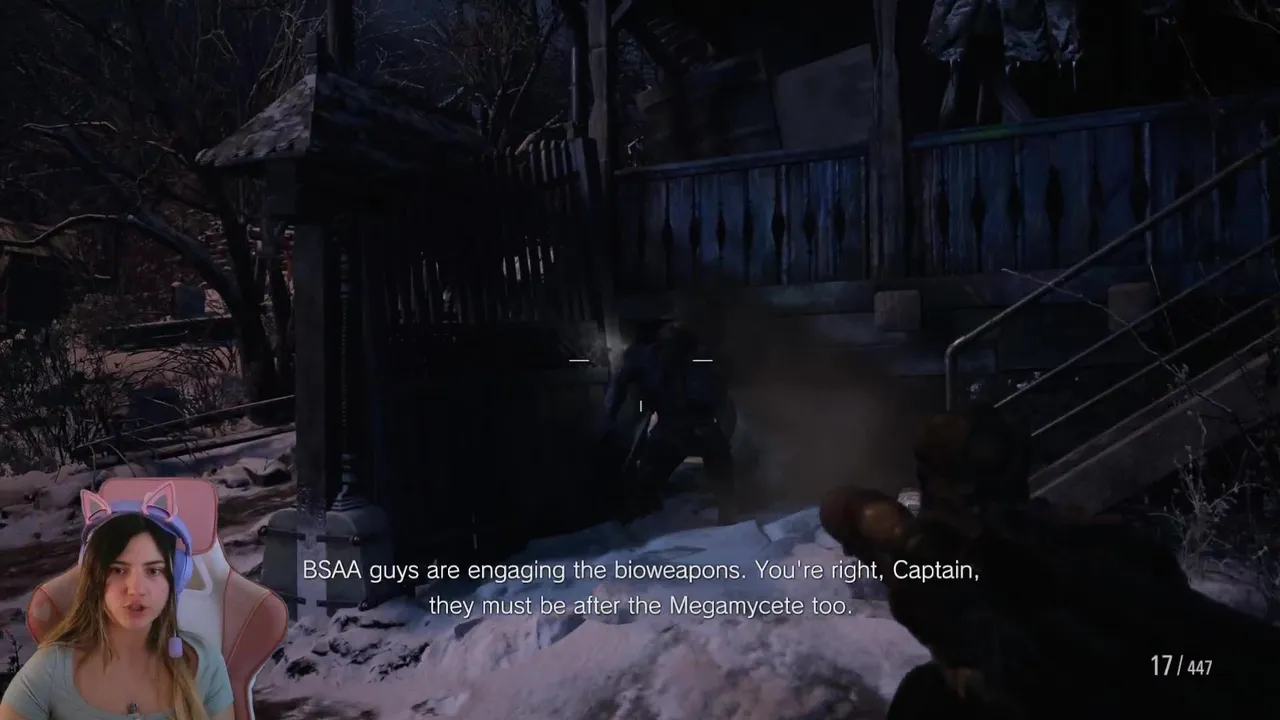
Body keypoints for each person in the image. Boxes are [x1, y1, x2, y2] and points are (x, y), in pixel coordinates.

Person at [0, 487, 233, 720]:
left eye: (153, 571)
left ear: (176, 577)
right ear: (94, 577)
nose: (136, 589)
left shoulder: (205, 665)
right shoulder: (49, 670)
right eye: (118, 570)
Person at [598, 320, 737, 524]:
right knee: (645, 486)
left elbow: (719, 394)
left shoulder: (700, 358)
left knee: (721, 468)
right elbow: (620, 385)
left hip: (698, 427)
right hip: (672, 429)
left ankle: (727, 514)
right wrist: (610, 418)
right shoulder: (645, 358)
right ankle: (637, 517)